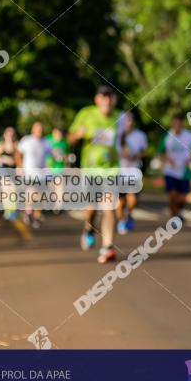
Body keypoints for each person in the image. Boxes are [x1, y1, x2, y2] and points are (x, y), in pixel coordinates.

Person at [68, 85, 122, 263]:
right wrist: (78, 134)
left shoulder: (119, 117)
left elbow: (122, 140)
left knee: (109, 208)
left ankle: (107, 247)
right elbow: (70, 138)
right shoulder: (87, 114)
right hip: (90, 169)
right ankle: (89, 228)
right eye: (103, 97)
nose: (107, 100)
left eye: (110, 97)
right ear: (97, 99)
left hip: (111, 170)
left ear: (113, 100)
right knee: (91, 208)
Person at [160, 115, 191, 221]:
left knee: (182, 196)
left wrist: (190, 158)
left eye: (179, 124)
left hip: (184, 170)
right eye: (175, 124)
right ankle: (174, 215)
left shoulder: (189, 135)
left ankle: (179, 211)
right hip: (170, 170)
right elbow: (161, 152)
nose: (177, 126)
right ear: (172, 124)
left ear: (182, 125)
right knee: (172, 194)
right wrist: (167, 159)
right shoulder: (167, 136)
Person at [116, 111, 148, 234]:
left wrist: (136, 156)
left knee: (133, 198)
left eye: (130, 120)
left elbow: (144, 151)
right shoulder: (117, 135)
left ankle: (129, 214)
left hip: (134, 171)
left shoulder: (140, 135)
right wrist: (120, 154)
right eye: (125, 121)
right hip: (118, 172)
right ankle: (121, 220)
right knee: (120, 200)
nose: (128, 123)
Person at [17, 121, 48, 229]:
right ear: (33, 130)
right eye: (37, 129)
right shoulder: (27, 140)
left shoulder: (46, 142)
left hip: (42, 174)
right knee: (32, 191)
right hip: (29, 172)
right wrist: (19, 166)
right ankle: (28, 211)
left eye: (41, 129)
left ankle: (36, 216)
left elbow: (52, 154)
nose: (39, 131)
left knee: (40, 196)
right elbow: (18, 153)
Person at [0, 127, 20, 220]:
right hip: (4, 169)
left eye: (12, 134)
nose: (10, 136)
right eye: (8, 134)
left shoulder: (16, 145)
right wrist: (1, 161)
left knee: (13, 189)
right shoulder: (2, 145)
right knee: (6, 189)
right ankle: (7, 210)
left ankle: (13, 210)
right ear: (5, 135)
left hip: (13, 169)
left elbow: (18, 158)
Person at [45, 127, 69, 214]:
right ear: (53, 133)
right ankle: (50, 203)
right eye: (56, 133)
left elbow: (66, 156)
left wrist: (63, 159)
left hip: (59, 168)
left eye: (60, 134)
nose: (58, 136)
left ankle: (58, 206)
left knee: (59, 187)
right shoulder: (47, 140)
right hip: (49, 168)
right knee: (50, 187)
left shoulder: (64, 143)